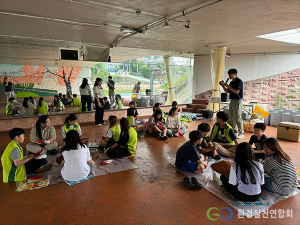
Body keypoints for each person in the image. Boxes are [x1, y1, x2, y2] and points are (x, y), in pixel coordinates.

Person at [219, 68, 244, 139]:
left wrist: (227, 86)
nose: (229, 76)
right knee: (232, 116)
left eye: (230, 74)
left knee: (238, 117)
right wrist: (223, 86)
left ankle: (241, 132)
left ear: (234, 74)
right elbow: (227, 91)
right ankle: (235, 131)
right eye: (228, 75)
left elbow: (236, 92)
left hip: (238, 100)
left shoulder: (239, 81)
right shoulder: (231, 83)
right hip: (232, 100)